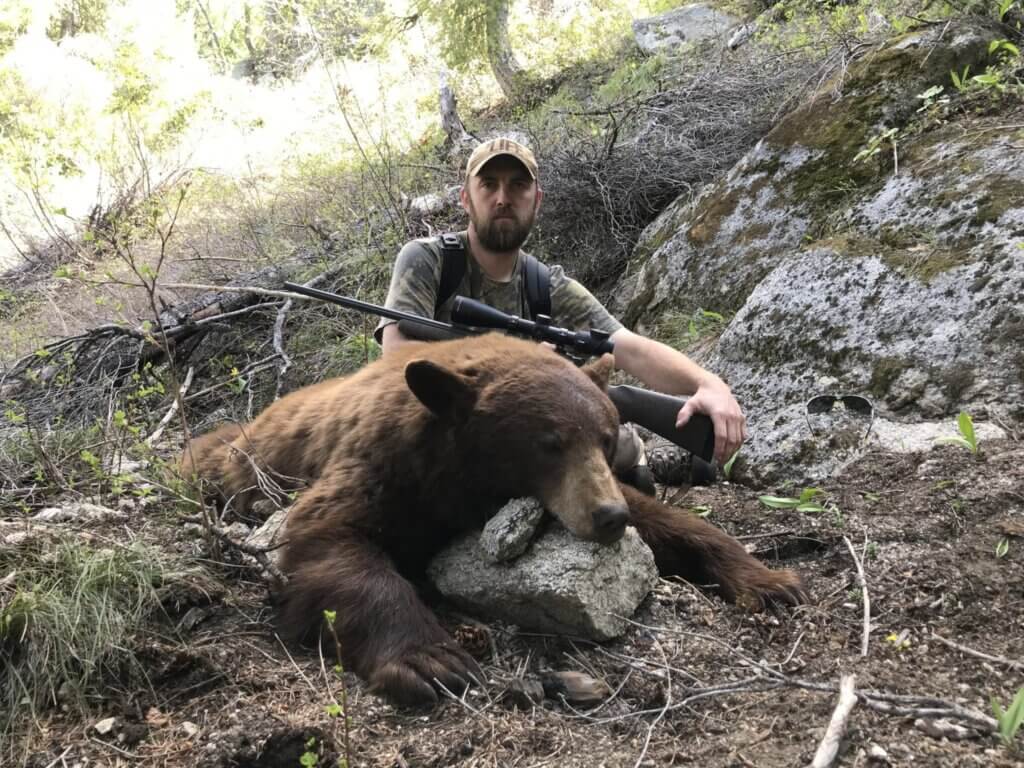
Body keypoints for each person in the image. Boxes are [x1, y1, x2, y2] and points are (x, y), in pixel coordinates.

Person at [375, 137, 747, 465]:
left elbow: (628, 348)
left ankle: (648, 469)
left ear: (536, 201)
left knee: (615, 443)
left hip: (533, 435)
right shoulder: (429, 259)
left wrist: (708, 383)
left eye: (517, 186)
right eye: (488, 184)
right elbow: (397, 356)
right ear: (465, 198)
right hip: (445, 434)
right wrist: (523, 368)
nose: (503, 198)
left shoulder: (544, 284)